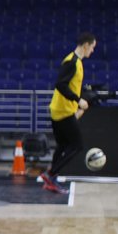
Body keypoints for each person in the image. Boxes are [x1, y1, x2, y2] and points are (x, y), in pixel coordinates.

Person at [41, 32, 97, 194]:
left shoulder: (77, 62)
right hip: (62, 111)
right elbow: (60, 84)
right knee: (77, 145)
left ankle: (51, 178)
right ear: (86, 45)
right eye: (92, 47)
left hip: (61, 109)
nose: (92, 51)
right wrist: (78, 100)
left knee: (64, 145)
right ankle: (51, 174)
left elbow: (71, 86)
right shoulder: (72, 62)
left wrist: (80, 101)